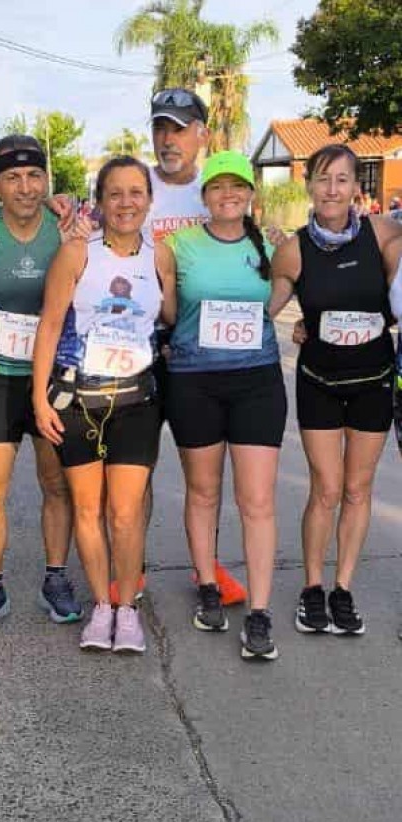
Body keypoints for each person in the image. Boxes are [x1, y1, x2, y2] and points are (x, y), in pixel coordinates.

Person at [33, 156, 176, 653]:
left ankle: (127, 608)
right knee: (88, 509)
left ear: (149, 201)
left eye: (136, 192)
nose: (125, 203)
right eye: (115, 193)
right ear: (99, 202)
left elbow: (170, 314)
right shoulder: (77, 254)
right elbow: (50, 326)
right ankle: (100, 607)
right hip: (80, 398)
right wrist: (39, 398)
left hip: (136, 399)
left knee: (125, 513)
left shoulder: (159, 256)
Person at [111, 88, 248, 608]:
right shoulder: (135, 188)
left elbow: (248, 259)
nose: (168, 139)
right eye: (160, 128)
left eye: (179, 128)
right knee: (136, 470)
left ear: (202, 135)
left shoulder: (215, 191)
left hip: (200, 349)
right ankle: (132, 569)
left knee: (202, 474)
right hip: (141, 346)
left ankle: (206, 568)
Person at [271, 144, 402, 637]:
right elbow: (265, 308)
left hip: (373, 382)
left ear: (355, 187)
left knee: (357, 489)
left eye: (342, 180)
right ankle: (312, 587)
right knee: (326, 490)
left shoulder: (384, 235)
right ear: (309, 185)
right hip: (320, 383)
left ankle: (342, 588)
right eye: (323, 179)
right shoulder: (293, 249)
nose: (332, 189)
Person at [0, 134, 78, 633]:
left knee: (56, 484)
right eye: (12, 178)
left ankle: (56, 578)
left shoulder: (67, 227)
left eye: (33, 176)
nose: (25, 187)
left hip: (54, 379)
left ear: (46, 180)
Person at [165, 151, 285, 661]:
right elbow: (164, 306)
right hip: (194, 381)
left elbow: (293, 291)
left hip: (257, 381)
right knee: (203, 491)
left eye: (237, 186)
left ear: (251, 193)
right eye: (217, 187)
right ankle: (209, 585)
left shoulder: (274, 247)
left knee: (256, 500)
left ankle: (259, 611)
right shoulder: (178, 244)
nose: (227, 195)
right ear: (205, 196)